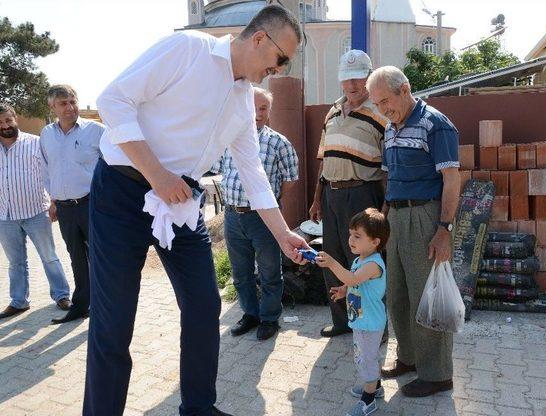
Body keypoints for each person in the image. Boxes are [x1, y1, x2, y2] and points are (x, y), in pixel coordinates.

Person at [84, 5, 305, 416]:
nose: (279, 69)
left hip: (180, 204)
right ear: (260, 39)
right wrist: (156, 174)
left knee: (204, 305)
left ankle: (199, 408)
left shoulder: (243, 103)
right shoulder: (187, 49)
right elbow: (113, 100)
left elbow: (254, 175)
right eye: (281, 59)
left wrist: (283, 234)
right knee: (113, 323)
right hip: (122, 192)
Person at [367, 66, 461, 397]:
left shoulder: (436, 124)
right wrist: (385, 221)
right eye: (377, 104)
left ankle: (437, 374)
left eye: (386, 101)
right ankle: (409, 358)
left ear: (405, 89)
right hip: (397, 219)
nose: (383, 109)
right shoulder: (390, 129)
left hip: (426, 217)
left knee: (427, 296)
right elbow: (391, 178)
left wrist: (444, 229)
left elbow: (452, 180)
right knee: (397, 294)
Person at [309, 50, 387, 338]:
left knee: (365, 262)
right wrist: (317, 198)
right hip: (331, 195)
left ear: (368, 78)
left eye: (357, 79)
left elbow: (388, 167)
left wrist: (385, 208)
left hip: (362, 194)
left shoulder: (381, 113)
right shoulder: (331, 112)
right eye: (346, 80)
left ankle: (375, 326)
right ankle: (343, 321)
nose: (351, 86)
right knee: (332, 258)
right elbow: (325, 159)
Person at [214, 87, 299, 341]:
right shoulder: (229, 139)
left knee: (270, 270)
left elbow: (290, 179)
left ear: (269, 111)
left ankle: (270, 318)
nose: (257, 114)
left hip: (263, 219)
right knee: (240, 273)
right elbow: (220, 170)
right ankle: (250, 314)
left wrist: (270, 201)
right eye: (253, 108)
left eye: (263, 108)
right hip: (232, 216)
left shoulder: (277, 142)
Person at [40, 85, 104, 324]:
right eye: (63, 103)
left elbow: (113, 164)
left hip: (92, 205)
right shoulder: (47, 134)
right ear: (52, 107)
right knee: (76, 257)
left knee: (100, 256)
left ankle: (105, 306)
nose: (70, 107)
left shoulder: (96, 131)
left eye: (72, 101)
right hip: (65, 208)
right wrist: (54, 200)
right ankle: (81, 306)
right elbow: (47, 169)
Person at [0, 103, 71, 319]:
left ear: (15, 119)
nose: (4, 126)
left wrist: (54, 201)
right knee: (15, 262)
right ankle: (19, 301)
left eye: (8, 120)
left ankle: (61, 295)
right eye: (0, 122)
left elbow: (51, 172)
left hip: (36, 212)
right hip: (5, 215)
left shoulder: (35, 143)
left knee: (49, 256)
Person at [316, 208, 389, 416]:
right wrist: (344, 290)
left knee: (367, 360)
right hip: (360, 320)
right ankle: (376, 387)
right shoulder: (360, 260)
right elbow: (354, 282)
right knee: (365, 356)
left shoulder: (374, 264)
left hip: (371, 323)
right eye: (350, 234)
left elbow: (353, 278)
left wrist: (331, 263)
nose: (351, 240)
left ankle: (368, 401)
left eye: (358, 236)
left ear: (375, 241)